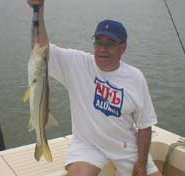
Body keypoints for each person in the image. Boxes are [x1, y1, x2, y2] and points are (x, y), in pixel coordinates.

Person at [27, 0, 163, 176]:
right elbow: (40, 47)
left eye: (110, 44)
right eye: (98, 42)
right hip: (88, 145)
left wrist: (141, 163)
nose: (102, 49)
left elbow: (145, 126)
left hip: (126, 146)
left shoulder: (135, 77)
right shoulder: (77, 63)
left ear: (123, 48)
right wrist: (39, 11)